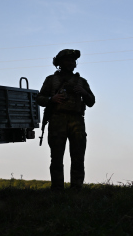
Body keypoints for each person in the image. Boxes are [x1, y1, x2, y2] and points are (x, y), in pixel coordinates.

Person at [36, 49, 95, 190]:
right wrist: (52, 99)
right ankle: (57, 189)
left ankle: (76, 188)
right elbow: (39, 98)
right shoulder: (51, 80)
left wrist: (84, 92)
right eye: (68, 60)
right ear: (60, 63)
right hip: (57, 120)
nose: (71, 63)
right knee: (56, 157)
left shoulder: (81, 81)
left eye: (73, 61)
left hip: (77, 121)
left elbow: (92, 101)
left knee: (78, 157)